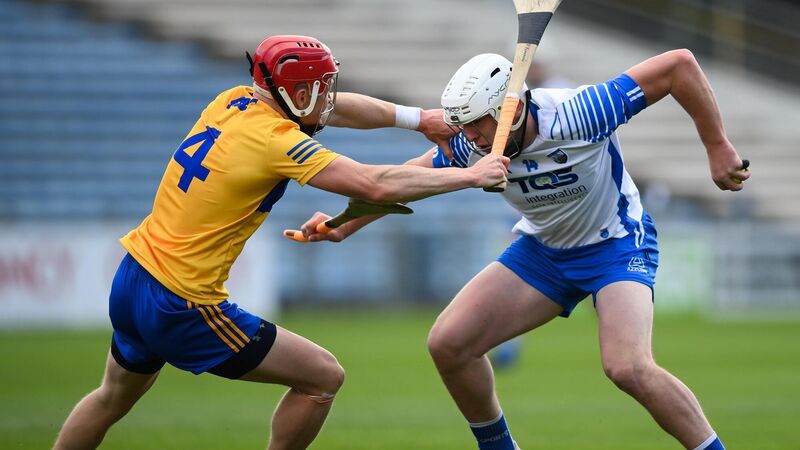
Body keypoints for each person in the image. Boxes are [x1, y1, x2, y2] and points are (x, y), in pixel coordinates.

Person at [52, 35, 508, 450]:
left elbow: (337, 110)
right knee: (321, 377)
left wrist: (418, 119)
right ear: (298, 95)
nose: (329, 98)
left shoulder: (232, 100)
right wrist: (471, 175)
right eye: (321, 89)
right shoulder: (276, 140)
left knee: (110, 398)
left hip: (133, 276)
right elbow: (374, 184)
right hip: (181, 301)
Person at [295, 49, 750, 450]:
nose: (471, 137)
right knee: (449, 344)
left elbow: (678, 66)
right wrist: (344, 224)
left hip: (615, 244)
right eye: (464, 126)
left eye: (478, 123)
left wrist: (717, 147)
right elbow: (413, 178)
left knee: (627, 367)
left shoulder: (581, 112)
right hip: (543, 251)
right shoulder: (470, 146)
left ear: (509, 111)